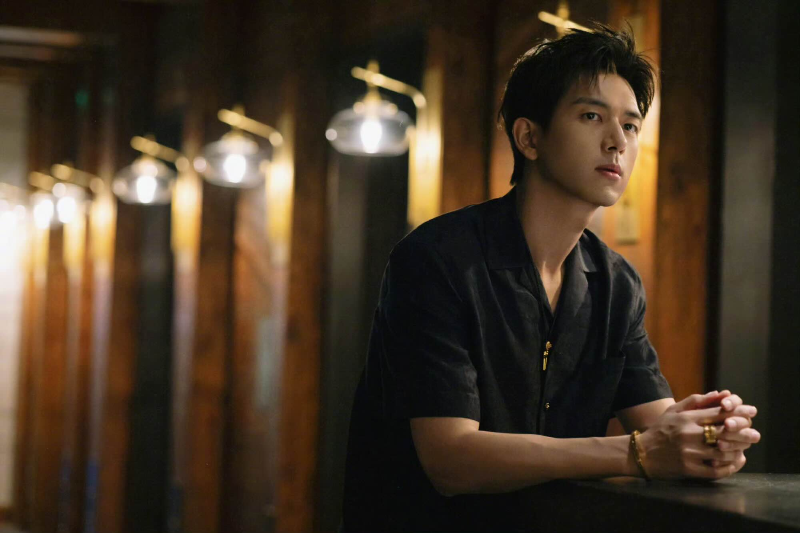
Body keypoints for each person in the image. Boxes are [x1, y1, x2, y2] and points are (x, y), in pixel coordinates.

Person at [341, 23, 760, 532]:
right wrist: (638, 453)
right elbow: (450, 460)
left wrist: (708, 435)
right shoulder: (438, 259)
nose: (617, 142)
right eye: (592, 116)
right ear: (529, 137)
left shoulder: (615, 283)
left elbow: (657, 427)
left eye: (631, 125)